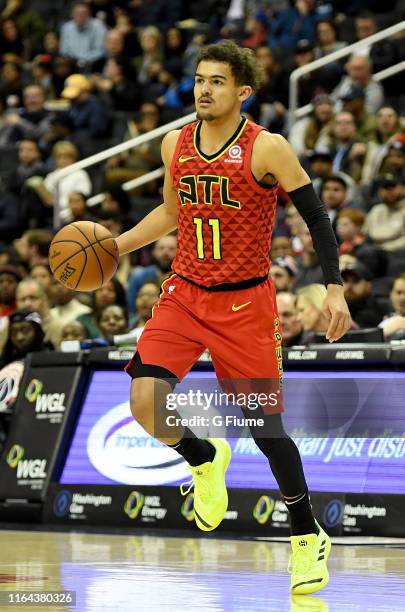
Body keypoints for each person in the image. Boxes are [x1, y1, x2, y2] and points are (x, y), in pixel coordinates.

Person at [115, 41, 351, 595]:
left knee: (266, 430)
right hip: (185, 293)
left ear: (242, 92)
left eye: (217, 81)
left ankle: (305, 533)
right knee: (144, 401)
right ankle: (202, 457)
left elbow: (316, 217)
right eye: (199, 79)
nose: (204, 89)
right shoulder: (175, 142)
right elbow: (173, 212)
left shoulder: (266, 149)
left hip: (246, 304)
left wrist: (333, 288)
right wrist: (115, 248)